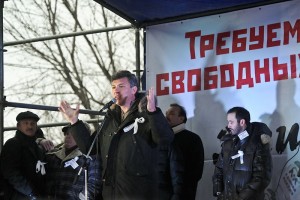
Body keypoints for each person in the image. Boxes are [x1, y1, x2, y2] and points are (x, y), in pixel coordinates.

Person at [58, 70, 174, 200]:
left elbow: (165, 139)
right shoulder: (110, 119)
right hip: (112, 193)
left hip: (139, 193)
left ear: (133, 89)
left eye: (121, 86)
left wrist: (153, 112)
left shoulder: (146, 115)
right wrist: (74, 122)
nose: (116, 90)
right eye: (113, 87)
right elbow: (90, 148)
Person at [212, 106, 272, 200]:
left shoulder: (258, 143)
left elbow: (261, 177)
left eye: (231, 122)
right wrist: (218, 190)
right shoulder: (227, 142)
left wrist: (242, 198)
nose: (228, 126)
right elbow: (219, 167)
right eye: (228, 122)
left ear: (242, 122)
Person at [45, 123, 102, 200]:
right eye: (67, 133)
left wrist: (82, 198)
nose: (68, 137)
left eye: (73, 134)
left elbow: (94, 184)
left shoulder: (91, 157)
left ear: (83, 136)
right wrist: (40, 140)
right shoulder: (53, 155)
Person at [0, 111, 48, 199]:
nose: (29, 126)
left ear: (36, 127)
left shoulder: (37, 147)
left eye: (32, 123)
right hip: (17, 195)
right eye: (26, 123)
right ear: (18, 126)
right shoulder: (12, 144)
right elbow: (11, 173)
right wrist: (31, 193)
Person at [165, 103, 205, 200]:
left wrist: (178, 191)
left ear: (181, 118)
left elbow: (196, 172)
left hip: (184, 194)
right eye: (166, 113)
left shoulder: (193, 139)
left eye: (171, 113)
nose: (166, 116)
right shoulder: (163, 138)